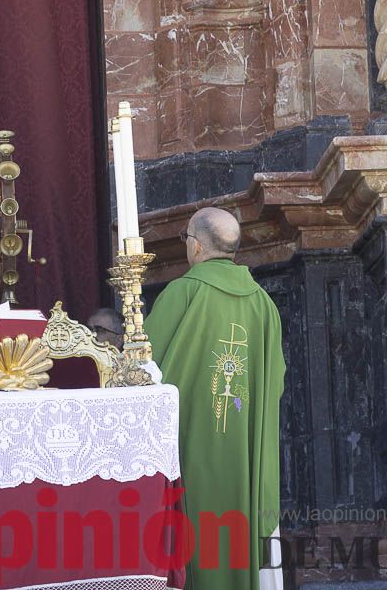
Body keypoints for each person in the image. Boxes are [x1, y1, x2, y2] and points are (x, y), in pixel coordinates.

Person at [143, 207, 285, 590]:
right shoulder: (265, 307)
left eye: (186, 238)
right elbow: (275, 383)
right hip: (244, 451)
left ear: (197, 247)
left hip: (189, 447)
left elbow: (139, 371)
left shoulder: (183, 292)